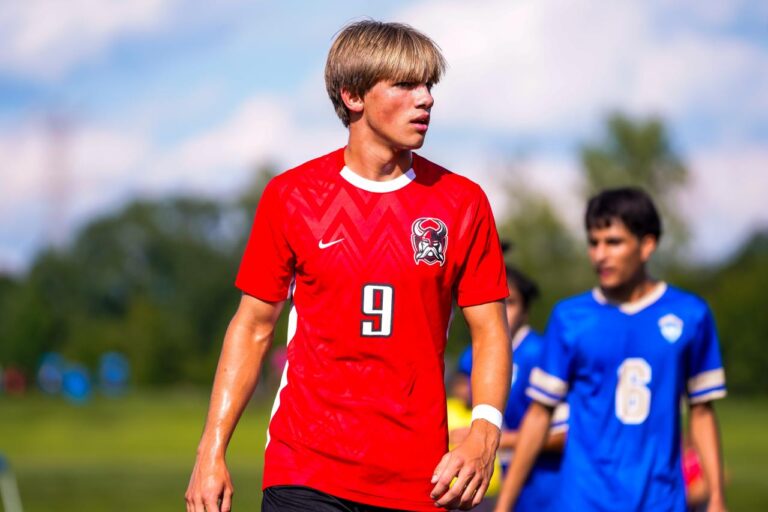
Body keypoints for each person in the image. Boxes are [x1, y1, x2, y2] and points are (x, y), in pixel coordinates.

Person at [185, 20, 511, 512]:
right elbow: (253, 327)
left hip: (419, 480)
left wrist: (484, 432)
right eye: (406, 85)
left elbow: (490, 331)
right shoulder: (291, 197)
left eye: (429, 85)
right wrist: (211, 450)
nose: (426, 99)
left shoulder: (462, 202)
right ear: (353, 95)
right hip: (306, 468)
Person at [495, 187, 727, 512]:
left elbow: (702, 411)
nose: (600, 254)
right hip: (584, 499)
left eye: (613, 242)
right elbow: (539, 414)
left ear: (647, 245)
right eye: (593, 242)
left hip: (660, 499)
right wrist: (505, 505)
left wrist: (716, 497)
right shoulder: (570, 317)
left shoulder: (690, 315)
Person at [454, 266, 568, 511]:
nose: (502, 310)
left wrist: (495, 439)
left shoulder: (538, 353)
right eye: (496, 301)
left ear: (526, 311)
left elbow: (565, 434)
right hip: (493, 485)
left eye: (511, 302)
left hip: (542, 488)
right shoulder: (476, 355)